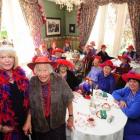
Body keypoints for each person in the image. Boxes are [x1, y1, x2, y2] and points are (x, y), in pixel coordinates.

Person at [27, 56, 74, 140]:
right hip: (39, 124)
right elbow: (30, 104)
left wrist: (71, 116)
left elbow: (69, 98)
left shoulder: (59, 79)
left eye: (45, 70)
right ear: (35, 71)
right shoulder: (32, 82)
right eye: (39, 70)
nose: (42, 74)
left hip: (57, 123)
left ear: (50, 70)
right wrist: (28, 121)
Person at [0, 40, 31, 140]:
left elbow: (30, 101)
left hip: (24, 125)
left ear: (14, 59)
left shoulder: (21, 76)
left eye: (10, 57)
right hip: (7, 131)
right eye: (2, 57)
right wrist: (0, 128)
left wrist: (28, 121)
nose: (7, 60)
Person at [112, 72, 140, 140]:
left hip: (133, 123)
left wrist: (119, 104)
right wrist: (121, 100)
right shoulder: (128, 89)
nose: (131, 84)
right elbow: (114, 93)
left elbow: (131, 114)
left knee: (113, 126)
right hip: (123, 114)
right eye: (130, 81)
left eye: (135, 82)